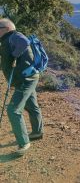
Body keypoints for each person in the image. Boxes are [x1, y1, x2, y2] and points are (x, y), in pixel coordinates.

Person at [0, 18, 43, 156]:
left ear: (6, 28)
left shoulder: (15, 35)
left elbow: (25, 42)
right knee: (31, 105)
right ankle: (37, 132)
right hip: (27, 78)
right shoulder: (8, 40)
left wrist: (14, 56)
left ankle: (24, 143)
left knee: (13, 109)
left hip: (26, 79)